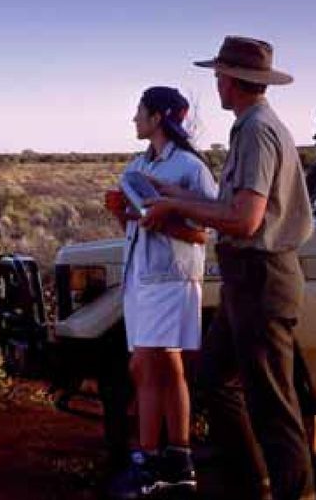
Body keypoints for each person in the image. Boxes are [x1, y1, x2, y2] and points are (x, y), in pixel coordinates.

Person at [141, 36, 316, 500]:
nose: (215, 82)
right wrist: (174, 197)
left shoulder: (258, 131)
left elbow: (245, 219)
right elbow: (230, 205)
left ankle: (295, 492)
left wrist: (177, 209)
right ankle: (252, 482)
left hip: (262, 279)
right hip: (246, 281)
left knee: (273, 407)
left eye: (219, 74)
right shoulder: (249, 126)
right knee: (216, 380)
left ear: (235, 80)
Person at [107, 87, 217, 500]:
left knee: (149, 367)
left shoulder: (190, 168)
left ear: (157, 117)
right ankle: (179, 462)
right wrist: (125, 216)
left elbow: (208, 231)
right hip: (141, 274)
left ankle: (149, 463)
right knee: (163, 369)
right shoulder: (137, 165)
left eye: (139, 111)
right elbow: (138, 226)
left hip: (171, 279)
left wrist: (163, 222)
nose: (134, 118)